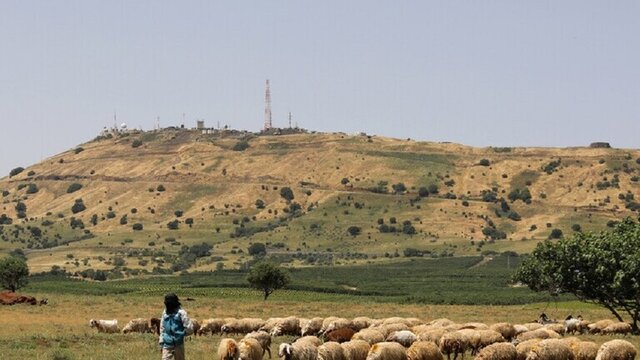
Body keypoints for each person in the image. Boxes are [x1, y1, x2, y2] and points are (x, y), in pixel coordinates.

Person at [159, 293, 194, 360]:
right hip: (167, 344)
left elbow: (190, 328)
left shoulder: (181, 313)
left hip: (178, 344)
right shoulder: (165, 313)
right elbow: (162, 328)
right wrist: (161, 342)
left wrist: (182, 334)